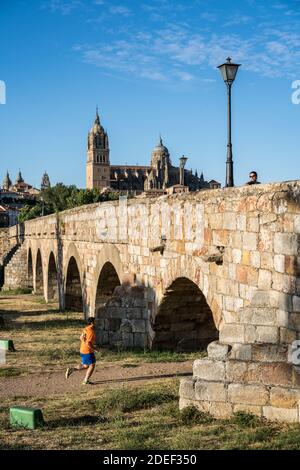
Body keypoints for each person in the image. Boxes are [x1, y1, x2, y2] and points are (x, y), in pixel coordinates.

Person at [65, 317, 99, 385]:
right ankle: (86, 380)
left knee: (86, 366)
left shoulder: (86, 329)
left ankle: (71, 369)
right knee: (92, 365)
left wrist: (85, 343)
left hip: (82, 350)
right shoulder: (91, 332)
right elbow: (88, 343)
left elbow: (81, 338)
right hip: (88, 351)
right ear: (92, 323)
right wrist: (95, 349)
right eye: (95, 321)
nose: (97, 323)